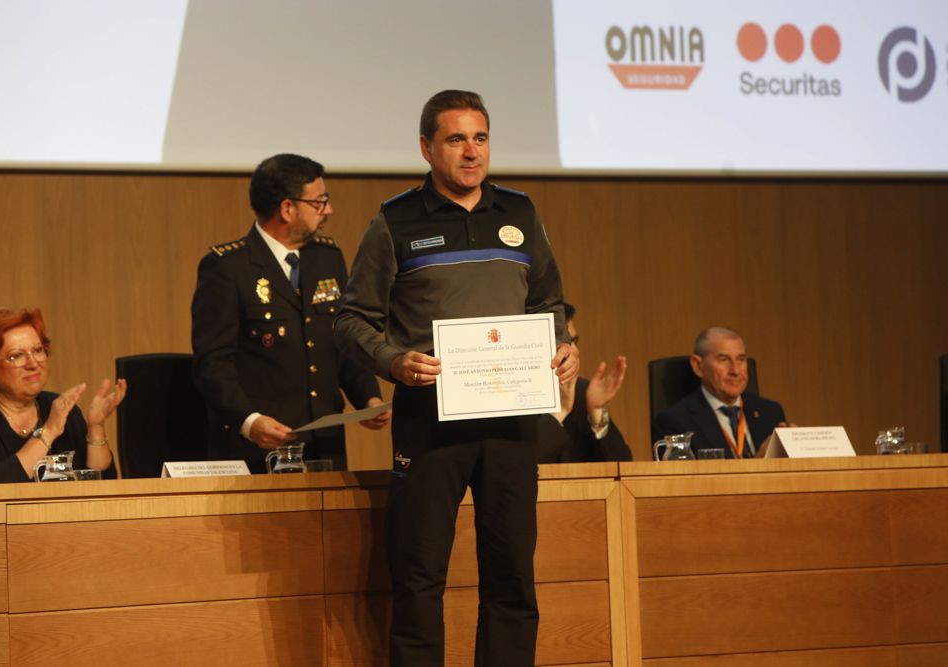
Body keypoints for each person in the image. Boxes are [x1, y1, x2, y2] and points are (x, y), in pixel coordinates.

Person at [334, 90, 579, 667]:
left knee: (512, 576)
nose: (472, 153)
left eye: (481, 138)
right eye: (456, 139)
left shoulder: (519, 212)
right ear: (426, 147)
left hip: (514, 420)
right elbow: (351, 319)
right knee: (420, 579)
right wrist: (393, 362)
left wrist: (562, 344)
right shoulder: (396, 220)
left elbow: (548, 302)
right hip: (430, 421)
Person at [191, 153, 388, 473]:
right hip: (259, 449)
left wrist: (368, 399)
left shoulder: (327, 257)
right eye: (319, 202)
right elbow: (212, 364)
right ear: (287, 208)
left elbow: (341, 340)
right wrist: (249, 421)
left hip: (325, 445)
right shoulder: (228, 267)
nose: (329, 211)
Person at [0, 307, 124, 484]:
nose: (33, 363)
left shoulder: (61, 409)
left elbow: (103, 484)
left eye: (38, 350)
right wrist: (48, 432)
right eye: (16, 356)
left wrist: (96, 428)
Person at [651, 326, 788, 458]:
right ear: (698, 366)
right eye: (723, 360)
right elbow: (685, 481)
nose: (735, 371)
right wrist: (760, 463)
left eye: (740, 359)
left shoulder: (771, 412)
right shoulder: (674, 423)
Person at [537, 302, 632, 462]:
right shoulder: (519, 398)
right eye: (566, 342)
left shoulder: (583, 392)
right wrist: (559, 413)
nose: (575, 351)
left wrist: (596, 411)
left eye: (574, 341)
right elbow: (521, 469)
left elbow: (623, 466)